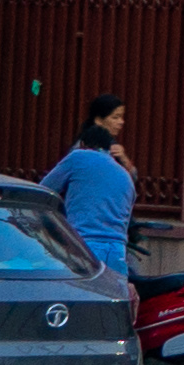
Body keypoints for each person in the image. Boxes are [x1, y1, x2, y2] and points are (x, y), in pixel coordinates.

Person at [43, 101, 137, 271]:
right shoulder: (126, 174)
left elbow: (45, 190)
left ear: (84, 145)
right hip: (118, 250)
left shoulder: (78, 156)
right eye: (116, 117)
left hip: (84, 245)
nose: (120, 122)